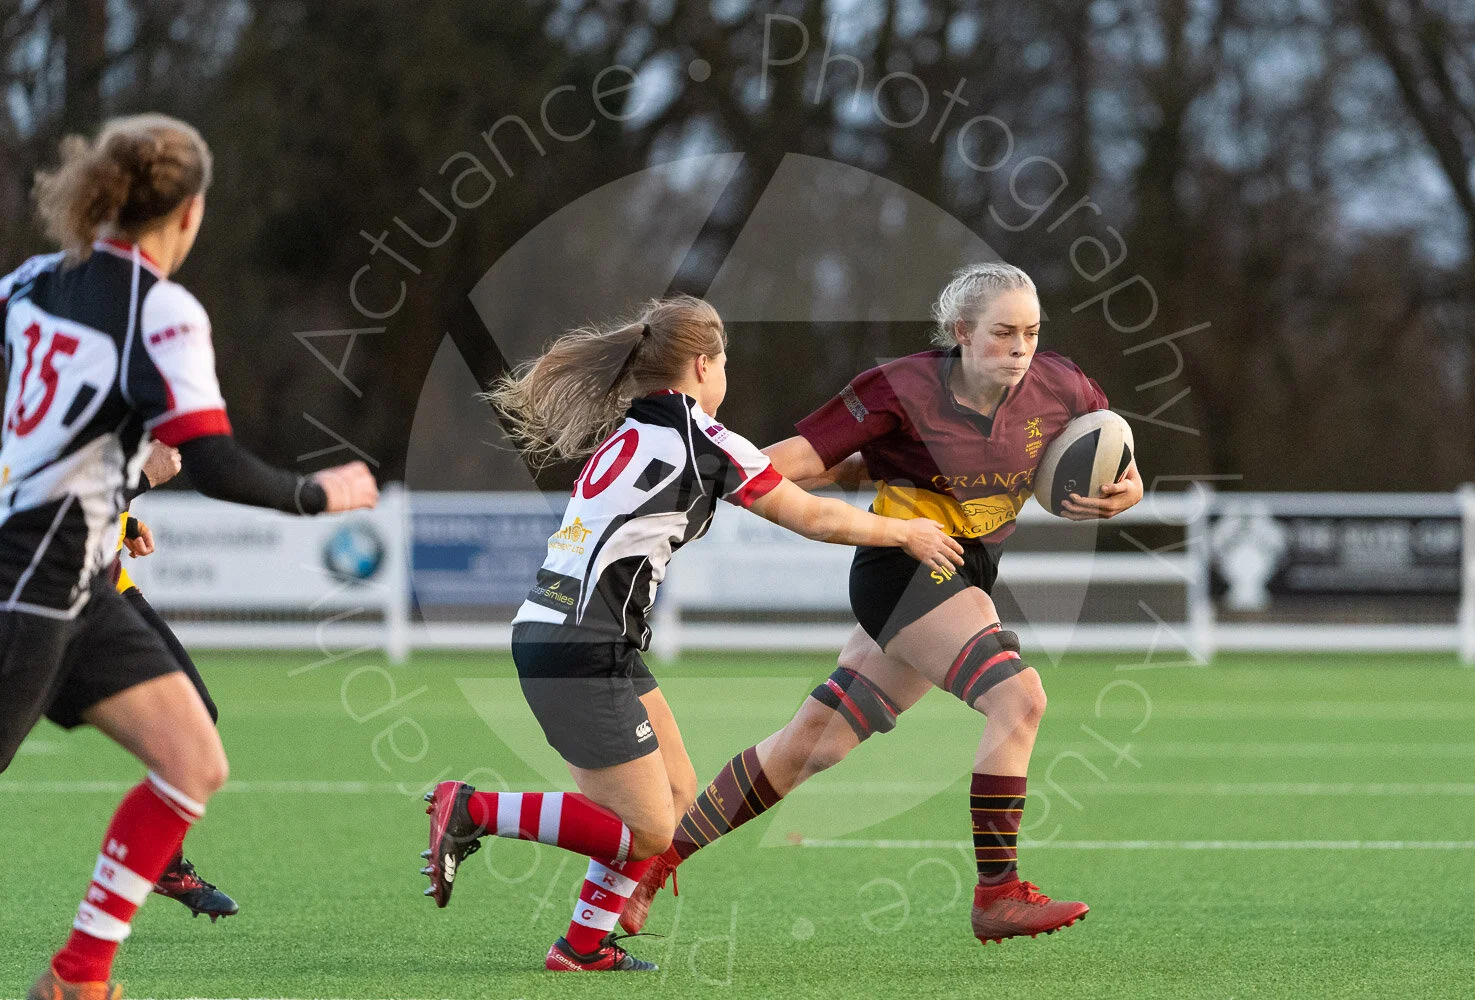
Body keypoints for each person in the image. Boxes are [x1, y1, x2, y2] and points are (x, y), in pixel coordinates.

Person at [421, 295, 963, 972]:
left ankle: (583, 946)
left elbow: (763, 481)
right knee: (645, 829)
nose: (725, 372)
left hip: (577, 637)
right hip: (580, 645)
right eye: (724, 360)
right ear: (704, 364)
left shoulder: (637, 429)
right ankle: (472, 809)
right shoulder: (702, 438)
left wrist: (871, 471)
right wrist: (904, 531)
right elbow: (812, 519)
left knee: (675, 796)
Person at [619, 262, 1144, 944]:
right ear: (961, 332)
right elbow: (795, 460)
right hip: (902, 568)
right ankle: (999, 893)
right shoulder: (901, 387)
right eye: (1003, 333)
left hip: (965, 572)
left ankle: (650, 865)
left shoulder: (1064, 387)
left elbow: (1123, 469)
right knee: (1020, 698)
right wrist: (696, 474)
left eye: (1032, 333)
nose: (1020, 348)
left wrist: (1123, 492)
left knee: (812, 747)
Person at [0, 114, 378, 1000]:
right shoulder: (162, 308)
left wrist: (115, 485)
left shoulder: (28, 282)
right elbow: (212, 463)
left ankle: (78, 979)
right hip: (32, 577)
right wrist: (322, 494)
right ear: (191, 211)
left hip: (77, 578)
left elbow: (50, 421)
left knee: (192, 759)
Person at [112, 440, 237, 921]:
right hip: (36, 597)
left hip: (104, 591)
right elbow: (27, 500)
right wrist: (142, 479)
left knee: (194, 716)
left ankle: (164, 861)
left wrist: (121, 523)